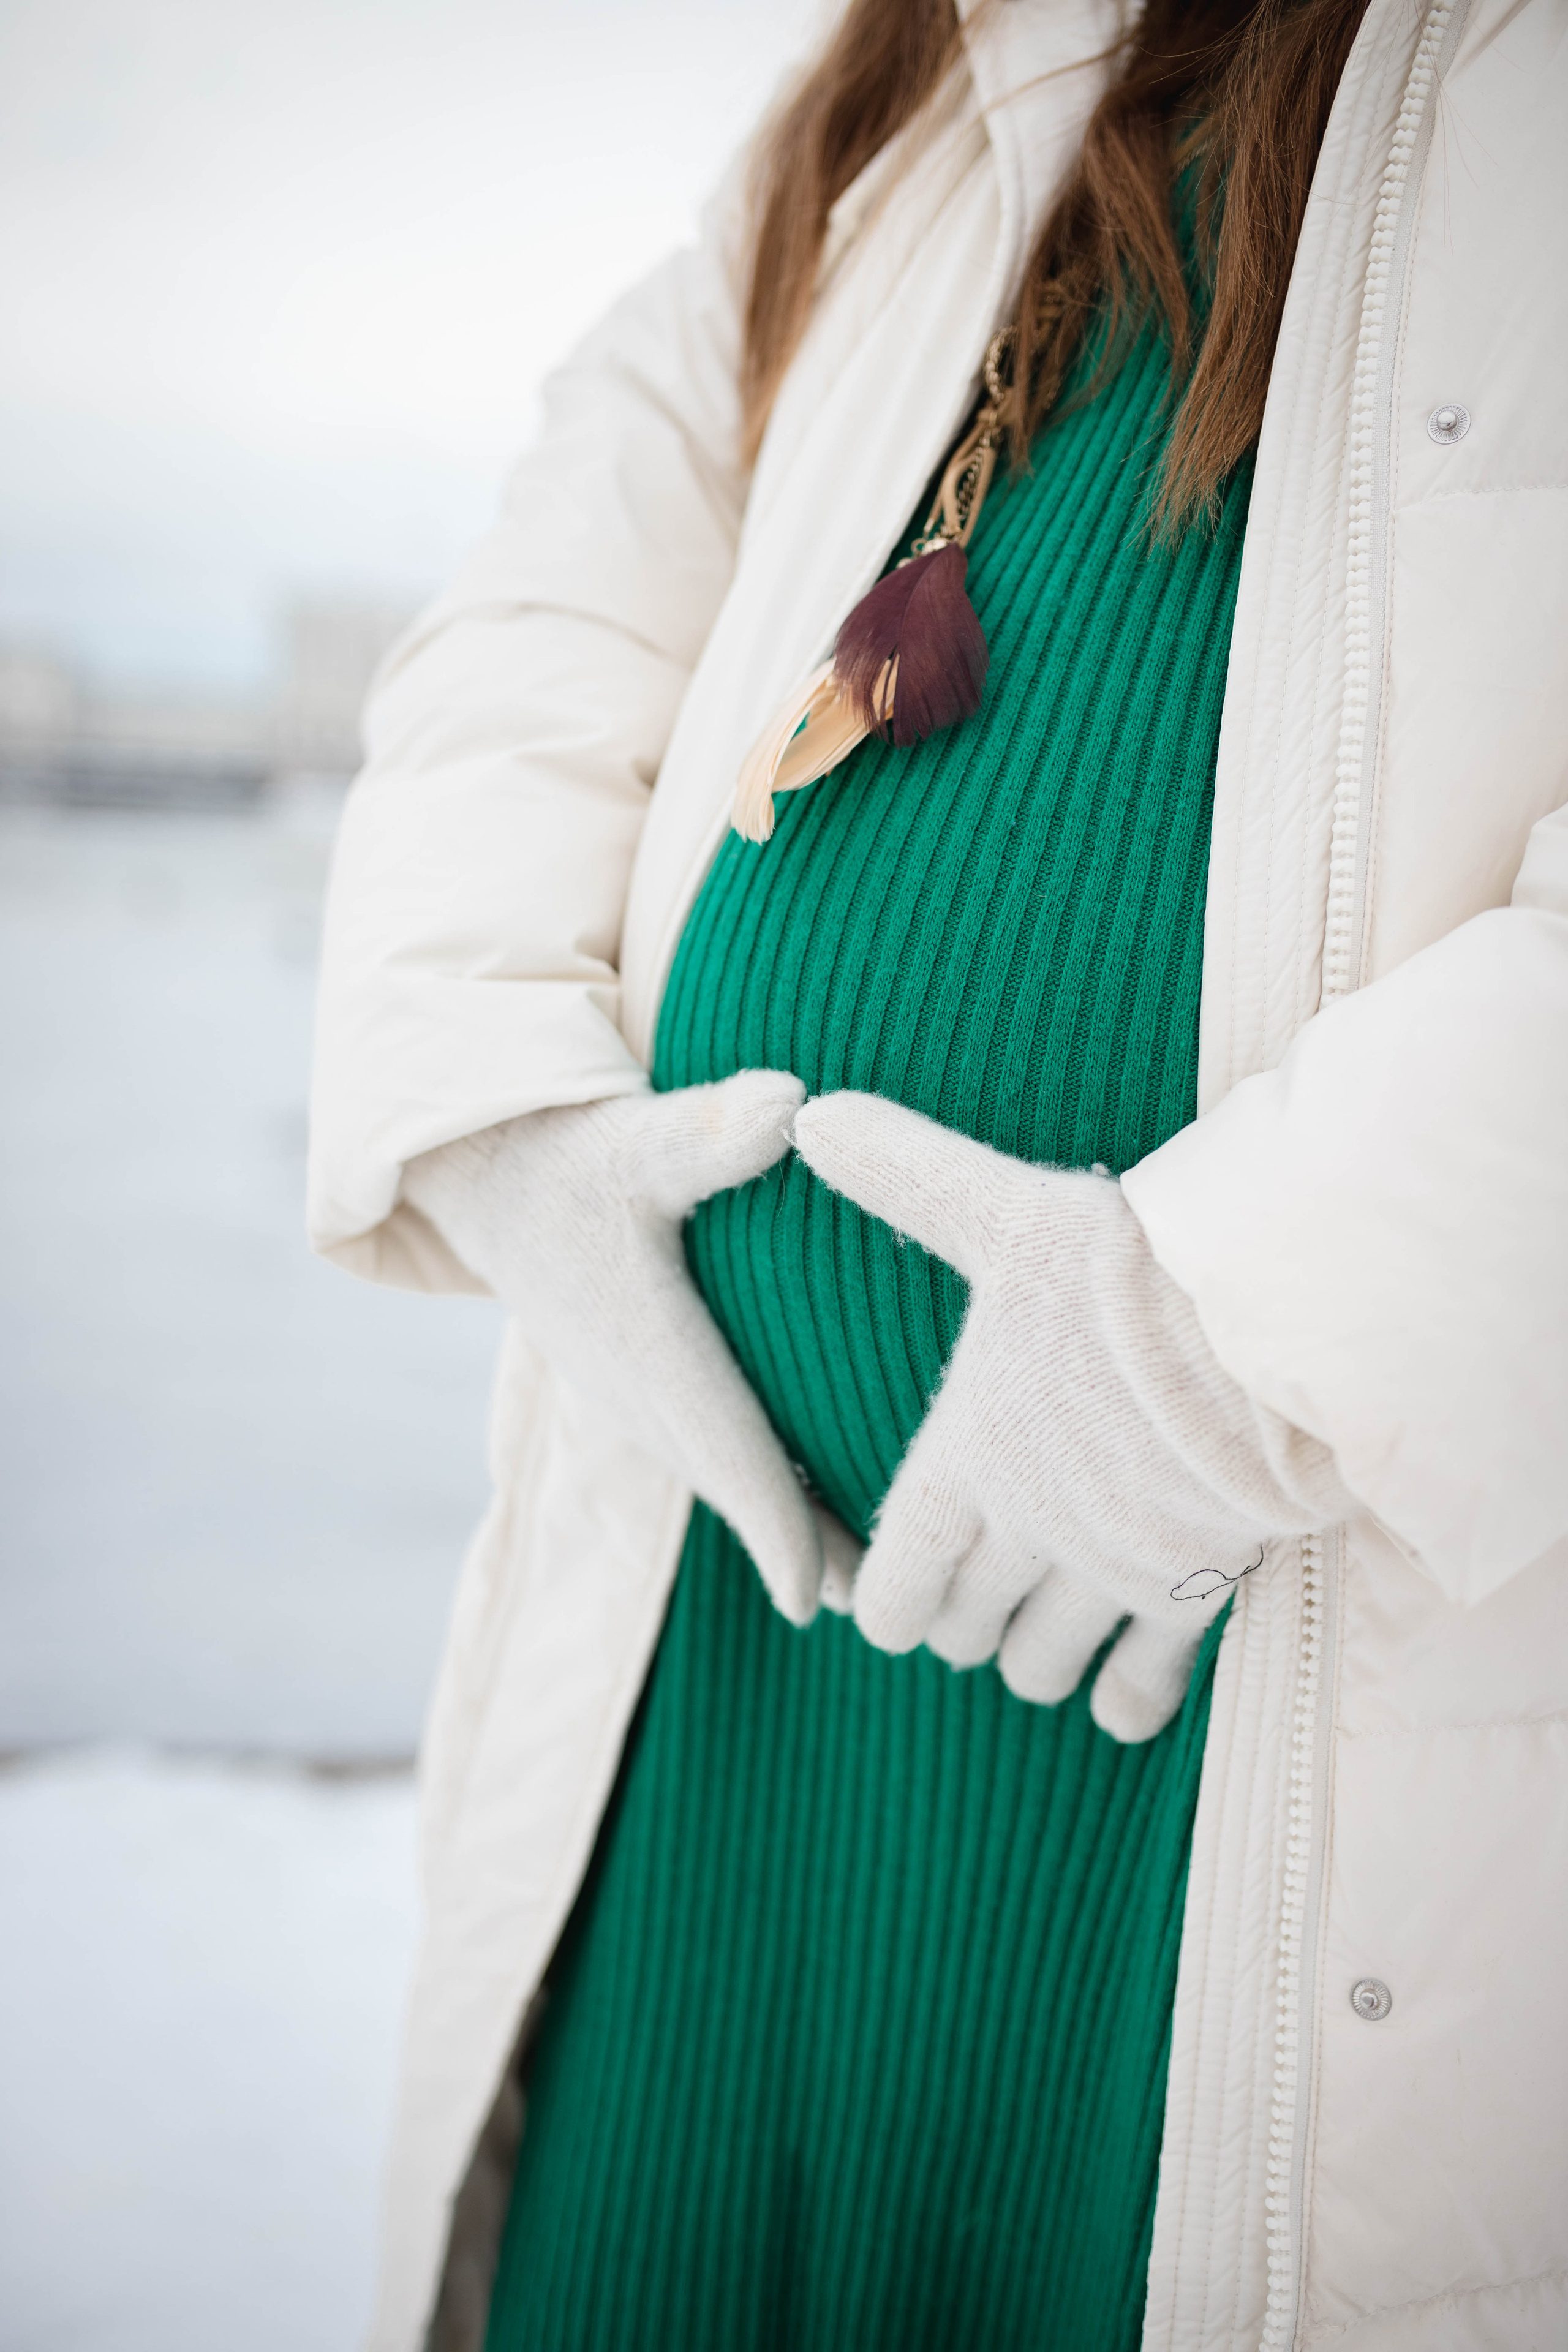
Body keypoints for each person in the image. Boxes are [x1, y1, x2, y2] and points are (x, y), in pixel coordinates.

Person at [307, 0, 1568, 2345]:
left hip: (1272, 1709)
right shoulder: (908, 85)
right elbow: (536, 616)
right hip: (722, 1675)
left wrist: (1236, 1341)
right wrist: (496, 1108)